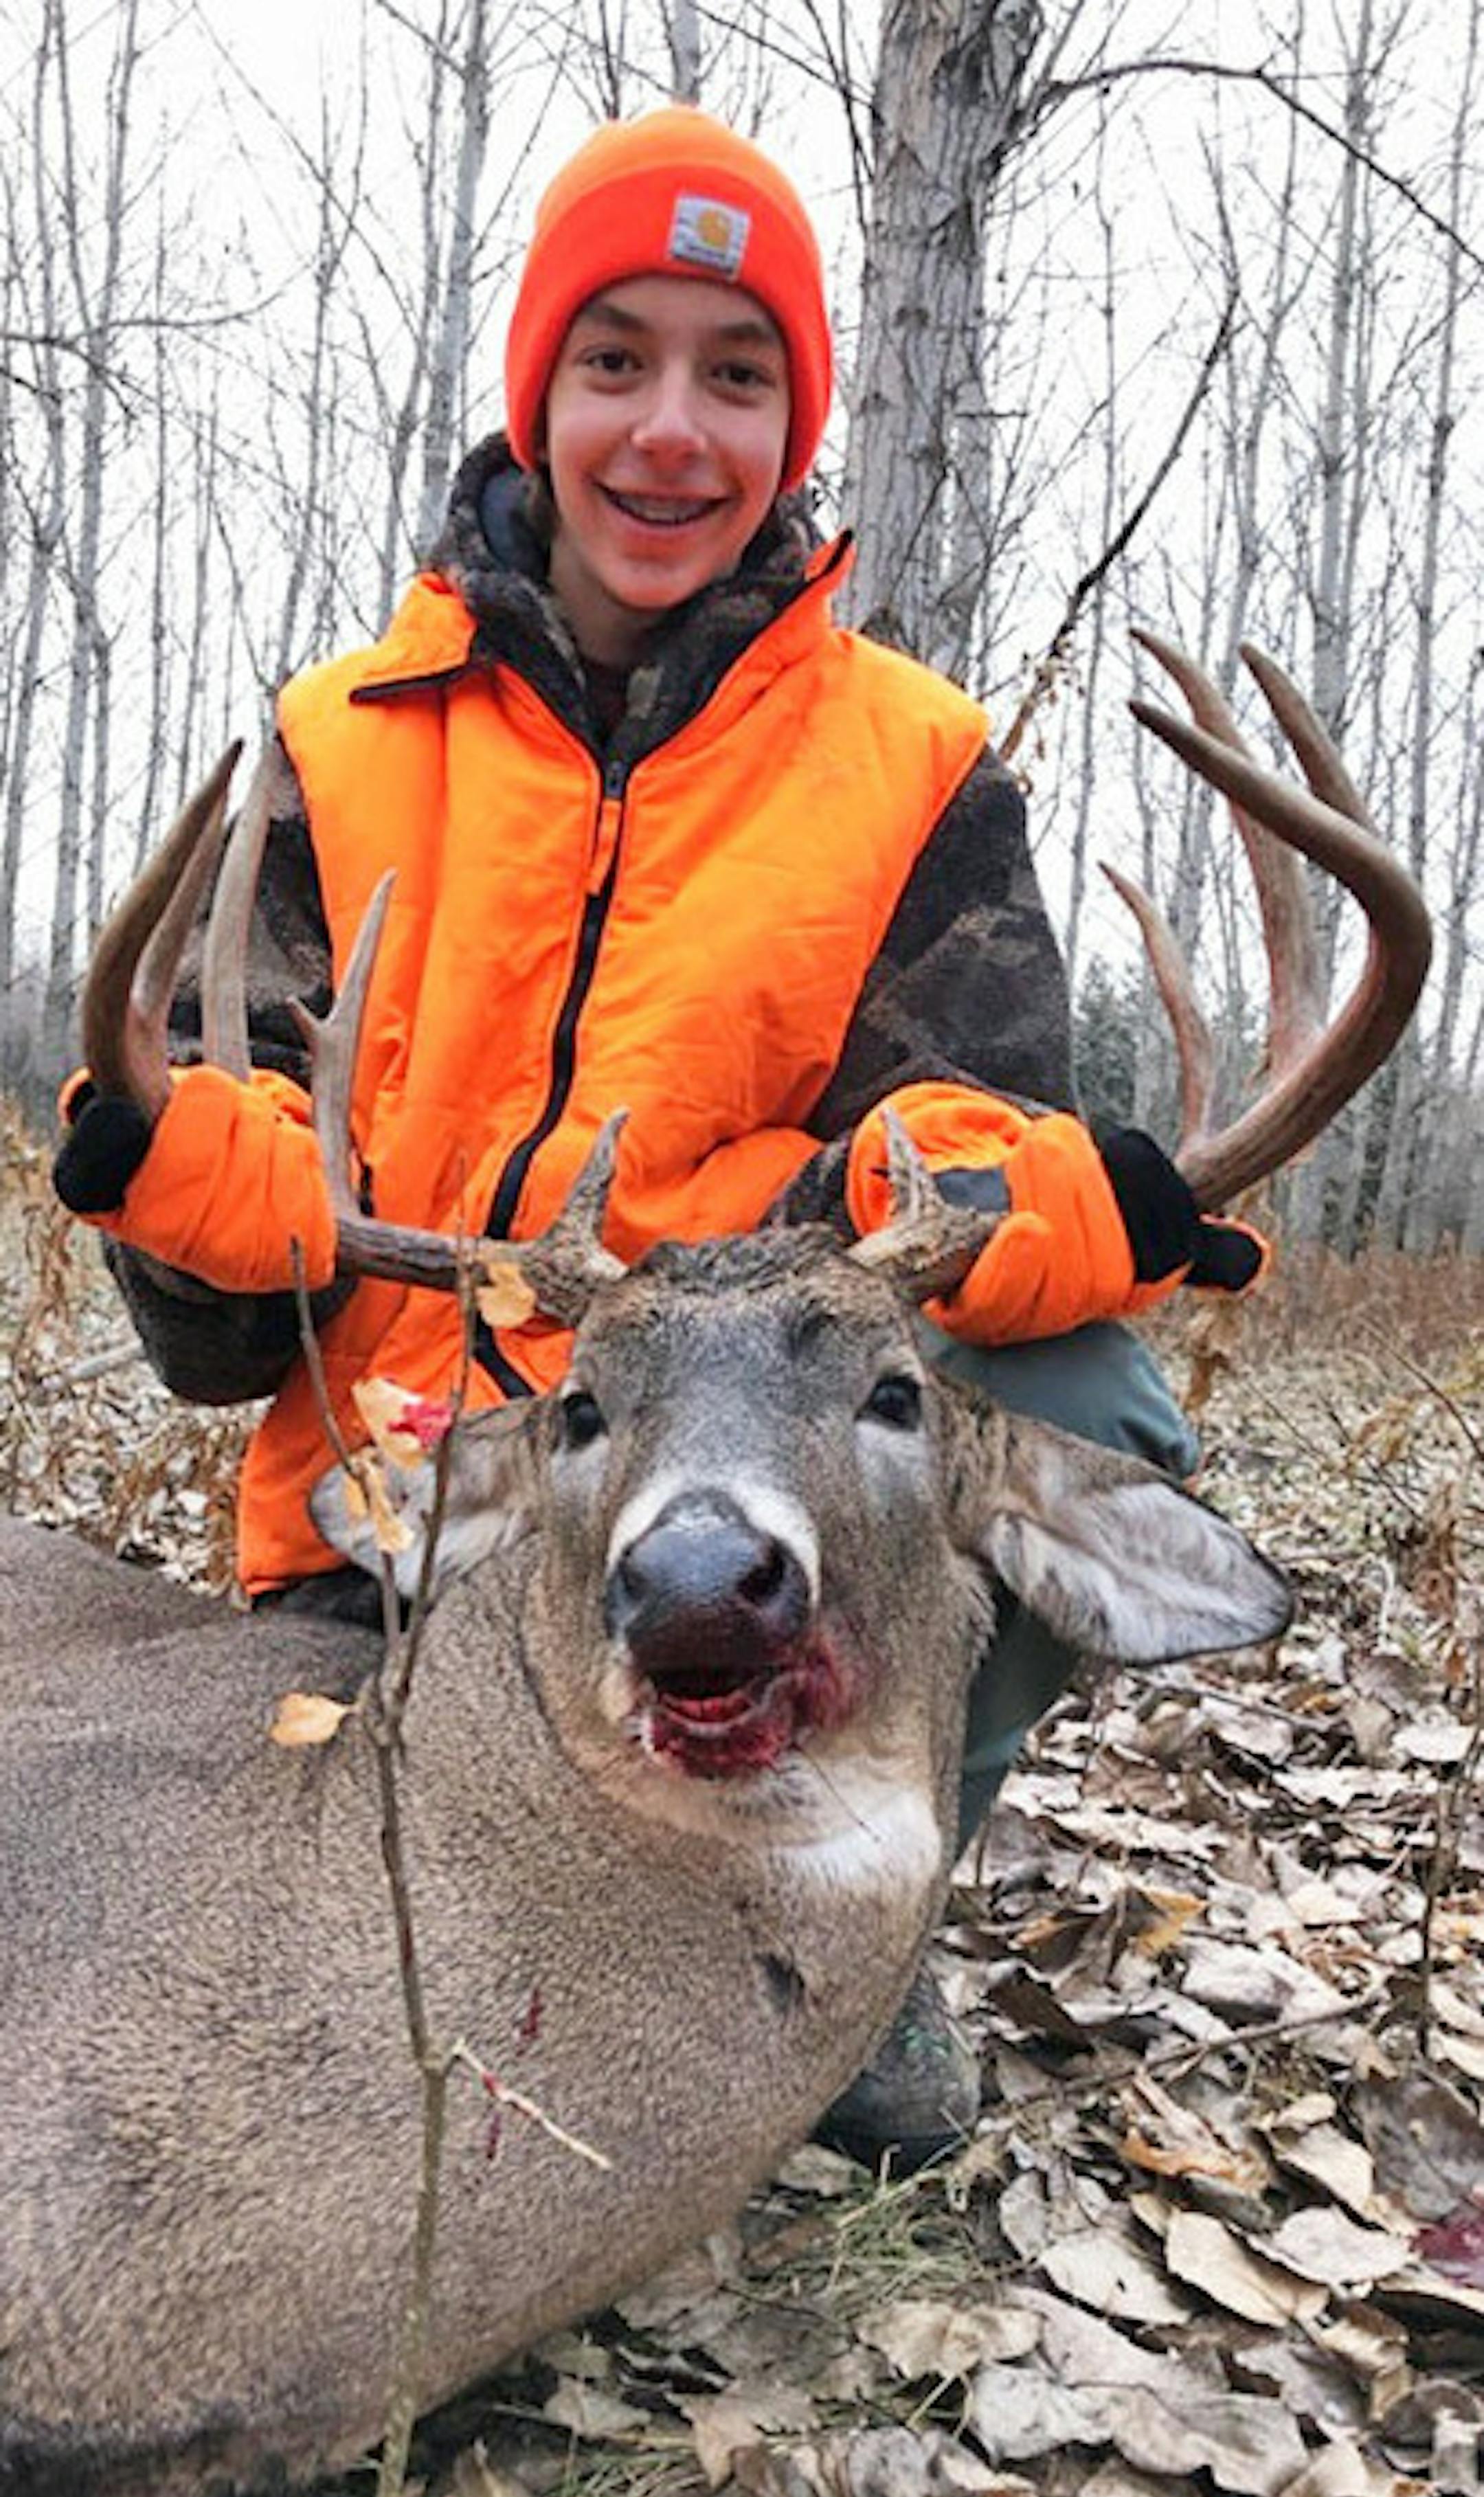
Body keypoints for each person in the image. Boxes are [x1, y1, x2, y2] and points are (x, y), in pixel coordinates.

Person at [52, 107, 1263, 2169]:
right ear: (539, 393)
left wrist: (1011, 1194)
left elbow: (960, 1120)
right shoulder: (337, 753)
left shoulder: (915, 765)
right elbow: (217, 1359)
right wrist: (201, 1210)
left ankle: (837, 1892)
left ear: (798, 420)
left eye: (738, 371)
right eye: (615, 360)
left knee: (1091, 1388)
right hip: (431, 1514)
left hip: (766, 1500)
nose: (671, 436)